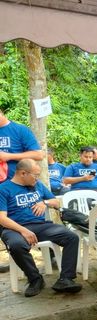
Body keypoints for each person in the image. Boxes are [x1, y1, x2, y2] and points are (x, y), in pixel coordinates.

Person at [0, 159, 82, 297]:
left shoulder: (37, 185)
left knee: (71, 237)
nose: (37, 178)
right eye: (35, 175)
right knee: (16, 245)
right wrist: (23, 231)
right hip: (14, 228)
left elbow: (56, 202)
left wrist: (45, 202)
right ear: (23, 173)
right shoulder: (3, 189)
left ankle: (65, 279)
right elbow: (2, 218)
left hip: (40, 225)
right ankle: (35, 279)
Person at [0, 108, 44, 273]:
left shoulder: (19, 130)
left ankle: (50, 255)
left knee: (32, 219)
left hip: (19, 186)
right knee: (5, 227)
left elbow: (38, 155)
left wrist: (9, 156)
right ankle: (17, 260)